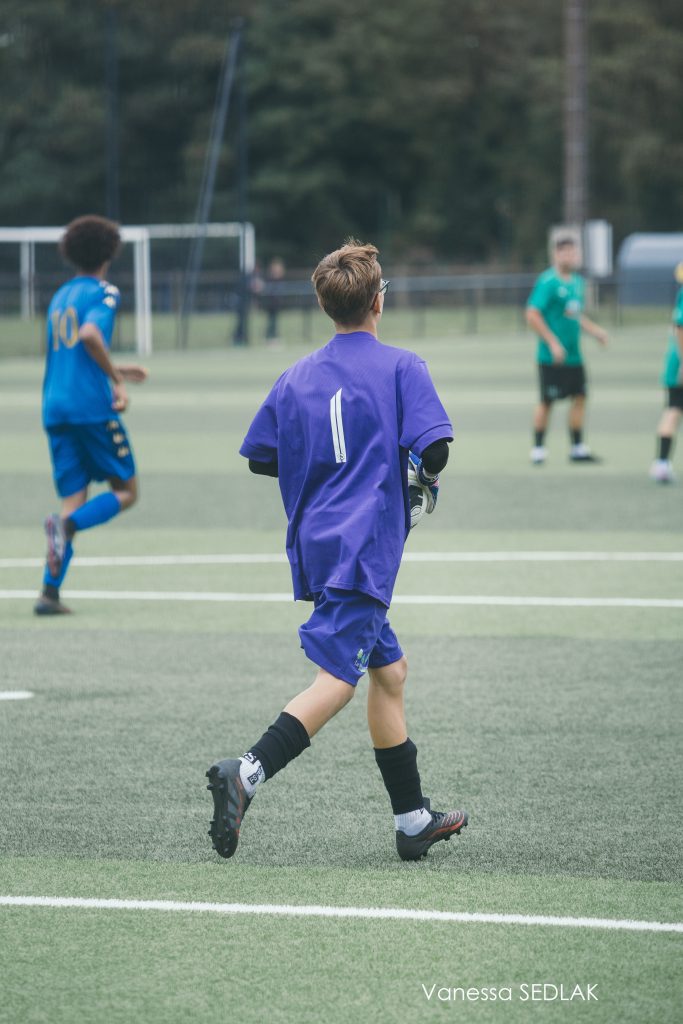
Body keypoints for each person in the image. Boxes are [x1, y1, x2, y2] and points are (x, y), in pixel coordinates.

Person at [206, 240, 468, 862]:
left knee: (390, 672)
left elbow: (261, 458)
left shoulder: (295, 375)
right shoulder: (402, 366)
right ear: (379, 301)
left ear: (325, 306)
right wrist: (419, 477)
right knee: (337, 682)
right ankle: (246, 772)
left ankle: (412, 820)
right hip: (364, 546)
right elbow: (434, 450)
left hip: (317, 542)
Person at [34, 215, 148, 615]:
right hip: (89, 409)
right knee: (127, 491)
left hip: (55, 407)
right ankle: (67, 527)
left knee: (72, 499)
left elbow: (72, 351)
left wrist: (115, 369)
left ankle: (49, 594)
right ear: (109, 252)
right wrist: (115, 379)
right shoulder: (104, 291)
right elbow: (88, 335)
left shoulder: (61, 295)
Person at [526, 236, 608, 465]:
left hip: (574, 356)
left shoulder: (578, 282)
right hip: (551, 357)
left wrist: (596, 332)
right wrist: (553, 343)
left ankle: (577, 448)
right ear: (556, 254)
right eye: (565, 252)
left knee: (580, 397)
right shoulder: (548, 281)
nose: (570, 256)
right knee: (547, 401)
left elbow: (574, 315)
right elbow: (532, 314)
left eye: (573, 252)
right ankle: (538, 449)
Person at [650, 265, 683, 484]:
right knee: (673, 410)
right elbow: (680, 328)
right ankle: (661, 463)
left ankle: (661, 463)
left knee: (673, 410)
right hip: (679, 366)